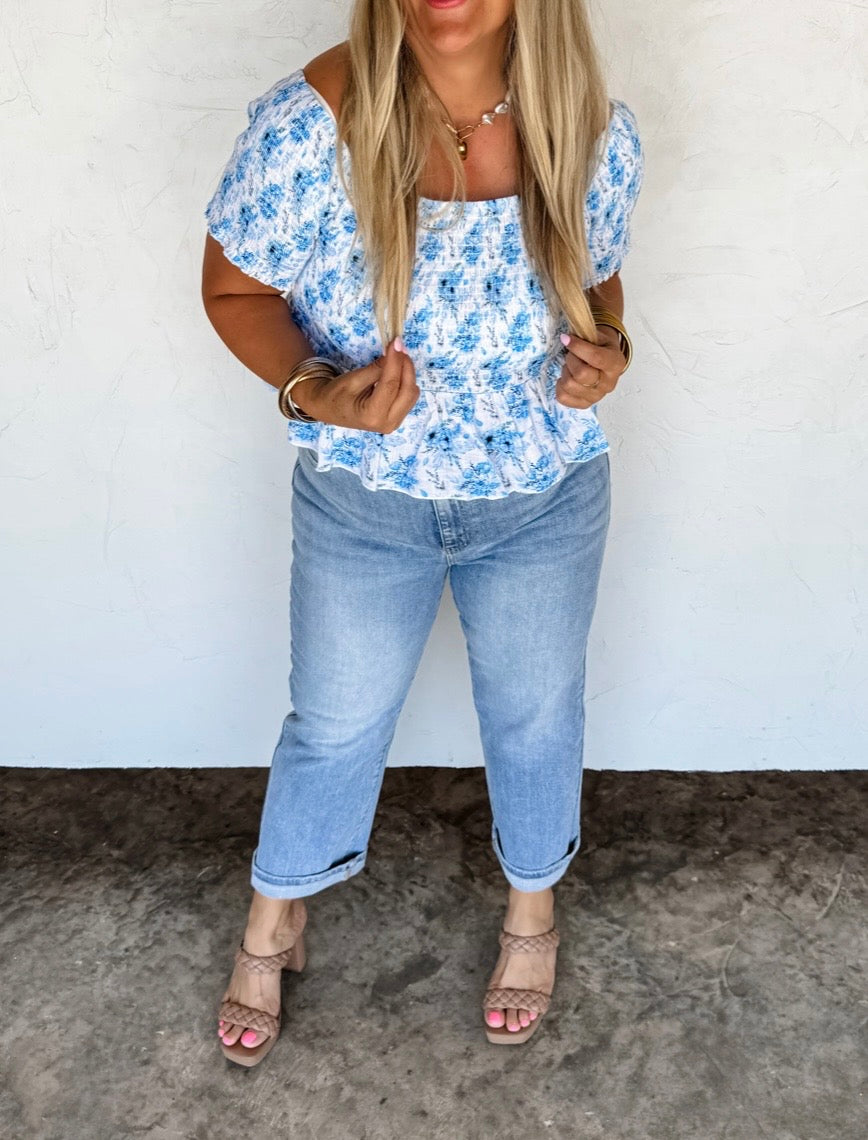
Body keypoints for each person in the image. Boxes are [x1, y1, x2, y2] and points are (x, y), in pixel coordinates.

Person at [201, 0, 643, 1063]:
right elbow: (231, 288)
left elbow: (593, 281)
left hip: (540, 495)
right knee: (334, 723)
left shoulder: (587, 125)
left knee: (535, 718)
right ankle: (277, 919)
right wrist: (316, 389)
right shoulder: (313, 122)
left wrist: (609, 347)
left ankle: (531, 914)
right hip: (366, 503)